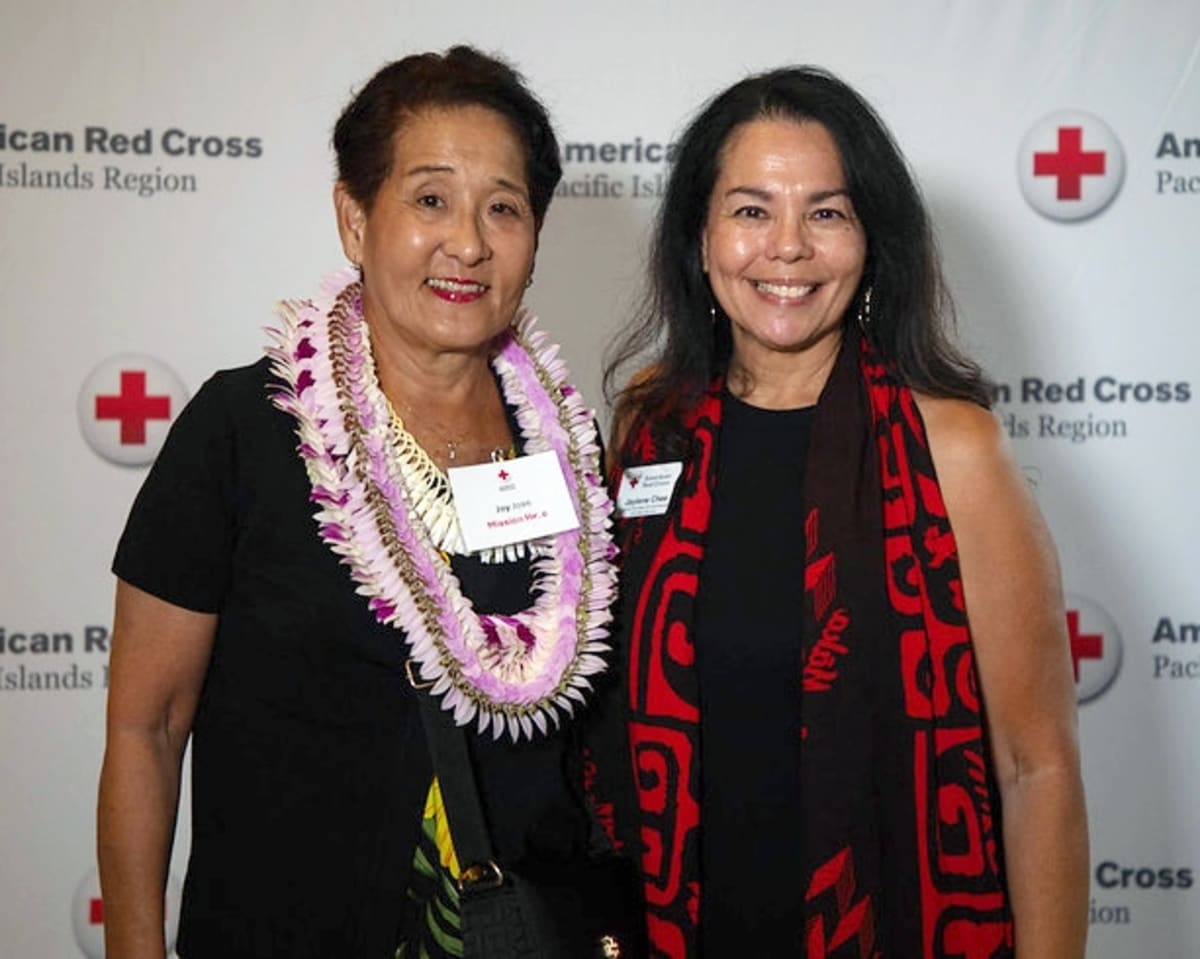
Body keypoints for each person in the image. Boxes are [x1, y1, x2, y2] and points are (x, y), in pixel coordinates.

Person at [97, 46, 619, 958]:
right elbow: (148, 727)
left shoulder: (565, 447)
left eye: (504, 206)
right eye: (430, 199)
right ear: (354, 216)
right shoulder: (241, 431)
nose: (468, 242)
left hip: (520, 929)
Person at [596, 66, 1088, 958]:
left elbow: (1034, 764)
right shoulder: (649, 425)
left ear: (871, 240)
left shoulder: (953, 446)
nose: (787, 247)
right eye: (751, 210)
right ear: (699, 237)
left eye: (826, 212)